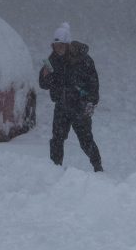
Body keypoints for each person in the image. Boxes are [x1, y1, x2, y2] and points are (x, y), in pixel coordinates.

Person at [39, 22, 103, 172]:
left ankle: (98, 167)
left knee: (86, 140)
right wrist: (45, 76)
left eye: (60, 45)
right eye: (55, 46)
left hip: (80, 107)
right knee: (57, 139)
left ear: (68, 45)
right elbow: (44, 84)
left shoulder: (84, 60)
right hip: (61, 106)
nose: (57, 49)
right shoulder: (51, 60)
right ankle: (55, 168)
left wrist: (91, 103)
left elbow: (93, 83)